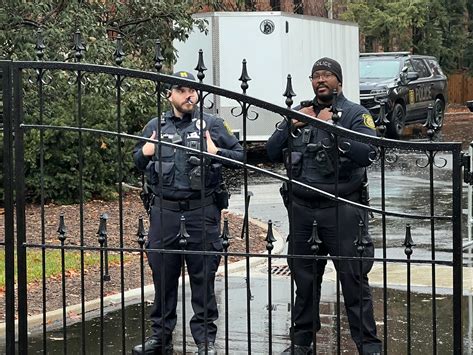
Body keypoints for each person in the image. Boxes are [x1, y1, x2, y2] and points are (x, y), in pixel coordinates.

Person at [266, 58, 382, 355]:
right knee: (304, 281)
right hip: (303, 210)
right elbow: (270, 150)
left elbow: (369, 153)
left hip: (342, 207)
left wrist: (332, 128)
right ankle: (301, 343)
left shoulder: (355, 114)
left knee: (354, 281)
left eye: (327, 75)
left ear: (338, 81)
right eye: (316, 75)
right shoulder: (300, 113)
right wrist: (291, 124)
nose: (321, 80)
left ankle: (368, 347)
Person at [132, 71, 244, 355]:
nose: (188, 95)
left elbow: (241, 158)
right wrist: (145, 151)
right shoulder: (155, 126)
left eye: (192, 90)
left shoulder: (214, 125)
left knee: (202, 276)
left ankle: (205, 341)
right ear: (170, 95)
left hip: (201, 211)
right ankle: (160, 337)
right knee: (163, 276)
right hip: (164, 211)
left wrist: (215, 151)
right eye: (181, 90)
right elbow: (135, 160)